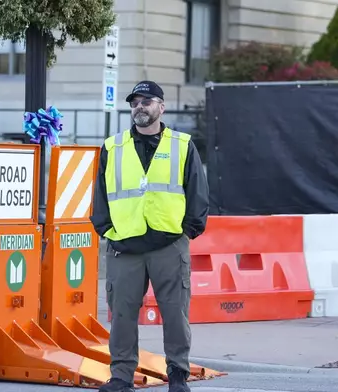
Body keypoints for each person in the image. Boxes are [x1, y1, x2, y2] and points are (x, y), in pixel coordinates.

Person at [90, 81, 209, 392]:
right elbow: (101, 194)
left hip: (169, 243)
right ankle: (121, 378)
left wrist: (188, 230)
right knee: (122, 315)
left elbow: (197, 190)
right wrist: (105, 229)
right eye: (135, 102)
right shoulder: (113, 147)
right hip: (125, 245)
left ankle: (178, 376)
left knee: (175, 313)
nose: (139, 107)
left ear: (161, 107)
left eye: (147, 101)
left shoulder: (182, 145)